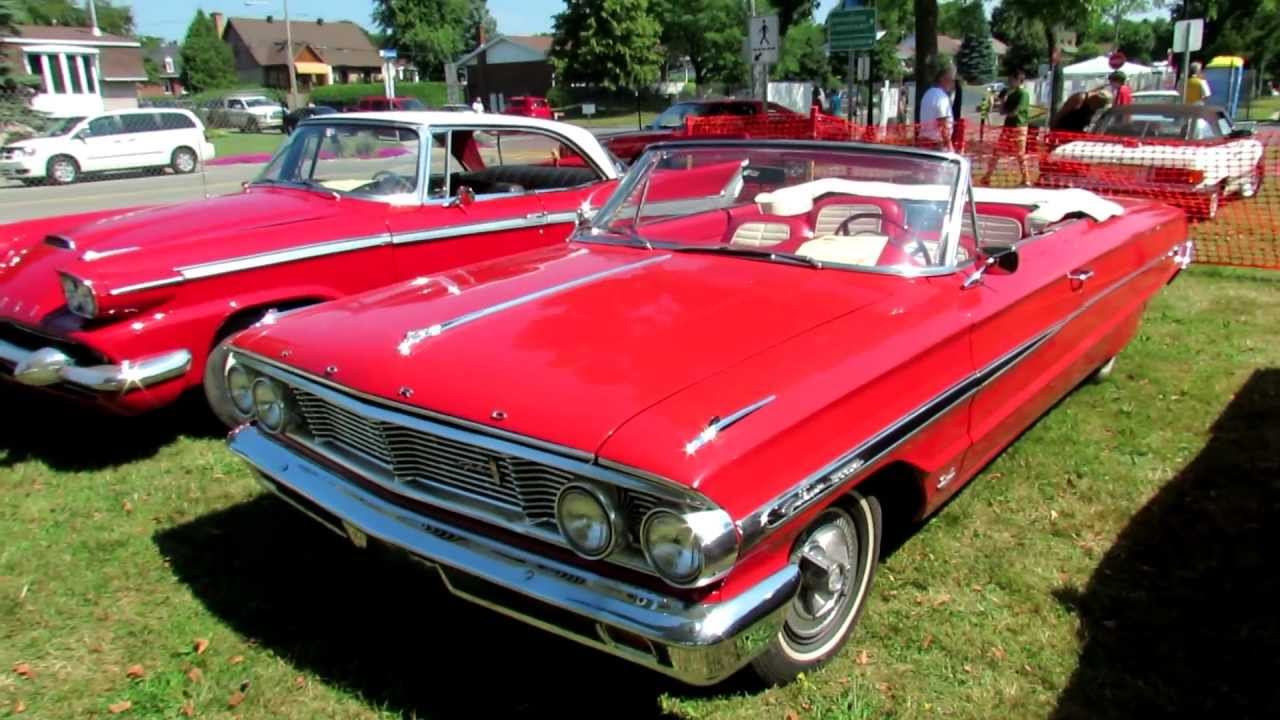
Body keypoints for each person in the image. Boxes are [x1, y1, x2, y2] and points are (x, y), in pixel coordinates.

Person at [982, 68, 1032, 187]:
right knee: (997, 152)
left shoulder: (1023, 94)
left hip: (1019, 127)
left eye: (1012, 79)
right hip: (1008, 126)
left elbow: (1015, 112)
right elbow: (1002, 111)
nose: (1009, 82)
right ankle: (987, 176)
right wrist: (1002, 101)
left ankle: (1026, 179)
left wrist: (1006, 111)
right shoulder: (1011, 93)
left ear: (1018, 80)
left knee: (1020, 154)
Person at [918, 62, 956, 151]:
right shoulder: (941, 97)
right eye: (951, 80)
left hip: (924, 141)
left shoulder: (928, 93)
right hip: (936, 144)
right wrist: (949, 146)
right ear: (943, 79)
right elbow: (943, 123)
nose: (953, 84)